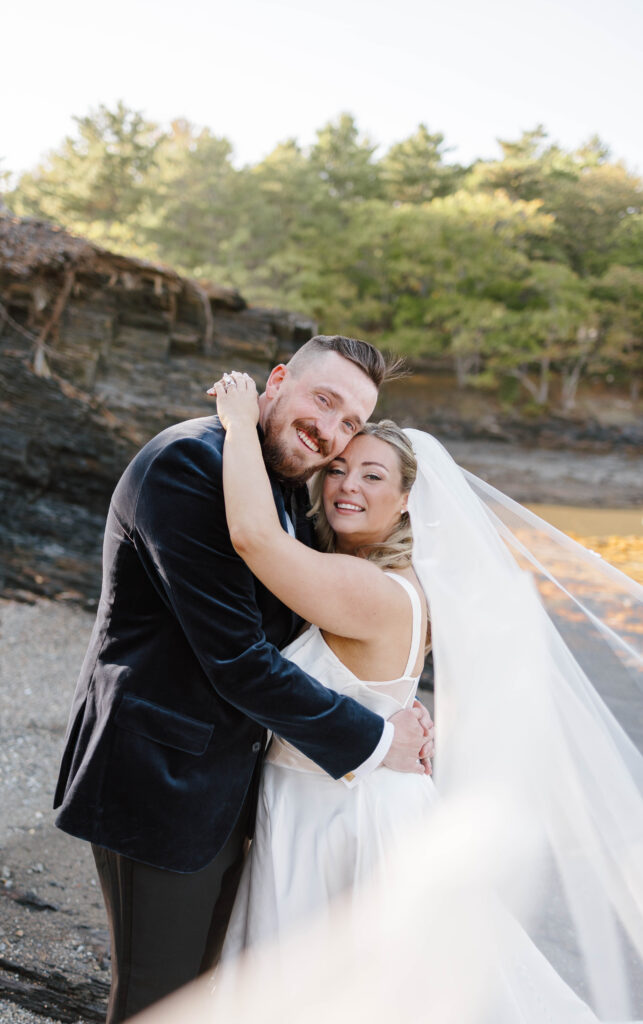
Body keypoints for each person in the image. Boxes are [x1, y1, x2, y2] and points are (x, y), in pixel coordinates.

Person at [207, 371, 643, 1023]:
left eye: (373, 476)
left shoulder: (371, 590)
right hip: (328, 803)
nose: (347, 486)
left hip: (342, 824)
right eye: (339, 469)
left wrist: (240, 423)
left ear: (408, 499)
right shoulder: (371, 575)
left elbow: (255, 539)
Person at [52, 335, 433, 1024]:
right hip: (160, 778)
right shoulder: (192, 465)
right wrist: (375, 738)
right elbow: (237, 657)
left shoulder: (283, 492)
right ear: (277, 380)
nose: (331, 432)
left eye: (351, 423)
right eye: (324, 401)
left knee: (209, 993)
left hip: (232, 788)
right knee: (156, 999)